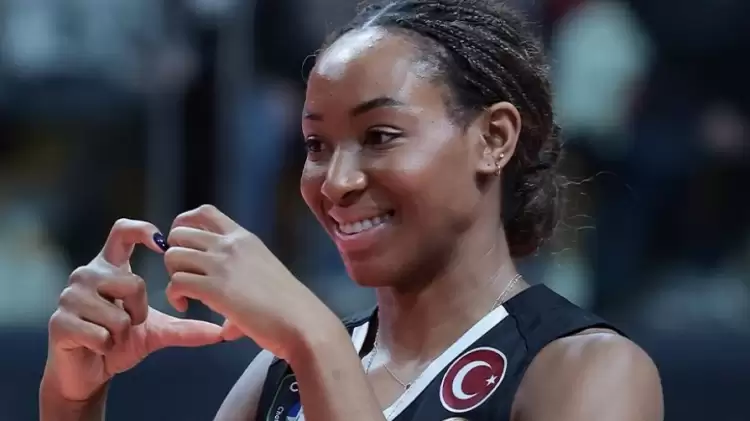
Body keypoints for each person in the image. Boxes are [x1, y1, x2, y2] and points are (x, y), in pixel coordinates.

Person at [39, 1, 664, 420]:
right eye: (316, 145)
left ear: (492, 139)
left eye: (380, 136)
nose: (335, 182)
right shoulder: (280, 373)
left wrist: (314, 337)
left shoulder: (590, 370)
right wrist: (73, 397)